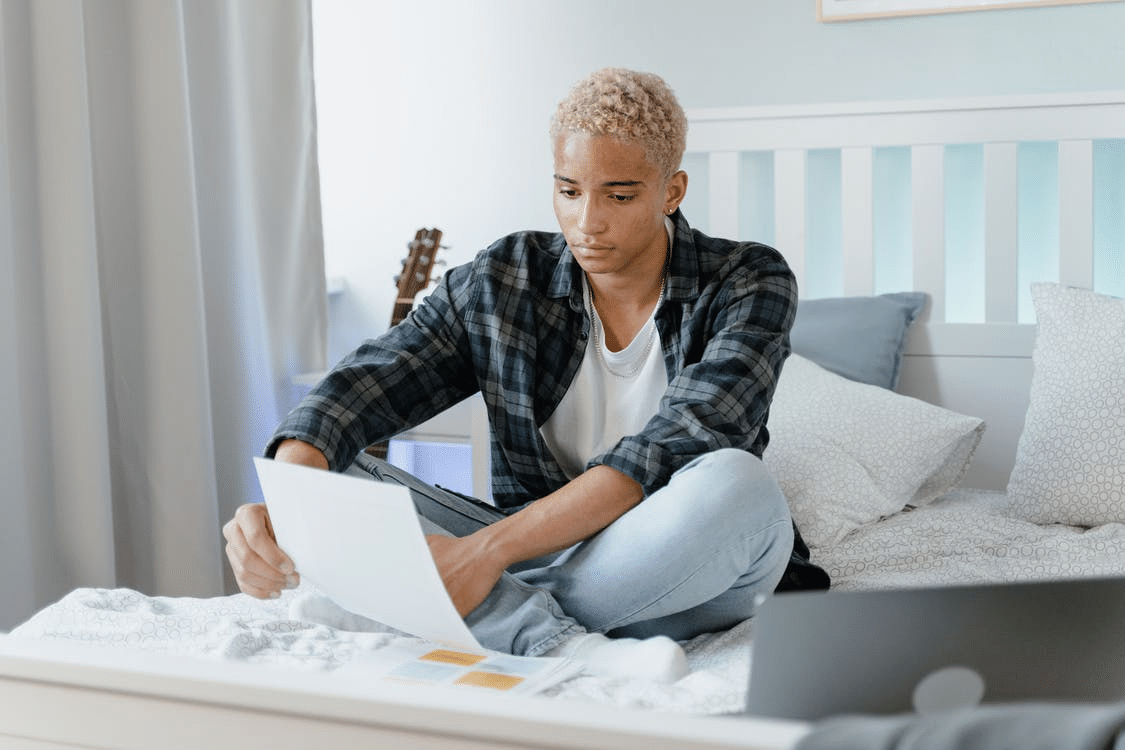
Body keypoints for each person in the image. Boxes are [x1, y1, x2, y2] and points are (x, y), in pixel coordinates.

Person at [223, 67, 828, 683]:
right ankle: (553, 639)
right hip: (536, 543)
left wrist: (479, 556)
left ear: (672, 191)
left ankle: (425, 610)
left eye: (618, 196)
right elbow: (366, 384)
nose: (588, 222)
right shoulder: (504, 279)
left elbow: (678, 441)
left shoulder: (749, 280)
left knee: (739, 485)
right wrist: (286, 506)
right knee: (332, 473)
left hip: (682, 564)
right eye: (569, 191)